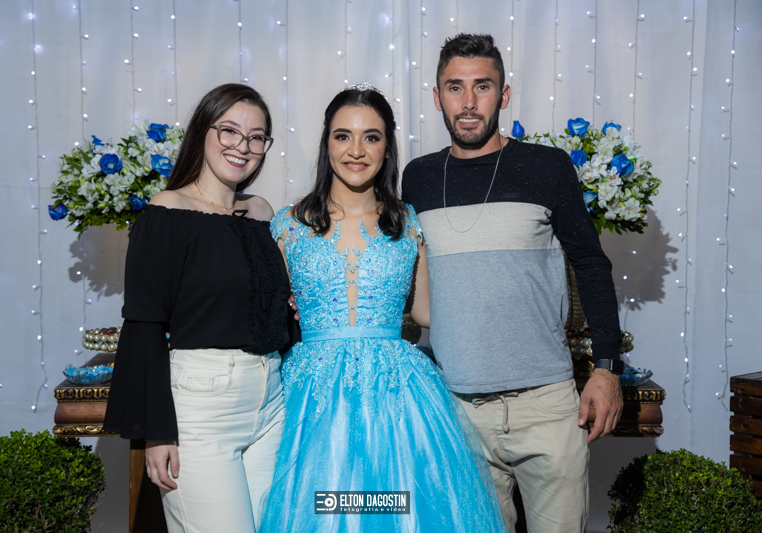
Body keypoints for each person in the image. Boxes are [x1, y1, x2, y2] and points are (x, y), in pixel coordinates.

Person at [401, 34, 624, 533]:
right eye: (455, 88)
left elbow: (591, 265)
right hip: (458, 411)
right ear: (437, 97)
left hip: (546, 407)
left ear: (503, 95)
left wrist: (607, 367)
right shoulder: (418, 178)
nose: (468, 101)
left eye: (482, 87)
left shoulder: (546, 167)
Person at [259, 85, 507, 532]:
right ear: (326, 143)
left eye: (370, 137)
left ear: (387, 147)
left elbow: (429, 313)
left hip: (400, 403)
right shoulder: (288, 225)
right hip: (310, 401)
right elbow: (266, 316)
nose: (356, 150)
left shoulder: (409, 224)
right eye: (343, 136)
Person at [103, 83, 290, 533]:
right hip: (203, 409)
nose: (242, 146)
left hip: (272, 403)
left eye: (256, 137)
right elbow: (145, 325)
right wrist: (158, 433)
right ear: (202, 131)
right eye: (229, 131)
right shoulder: (167, 212)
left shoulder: (263, 212)